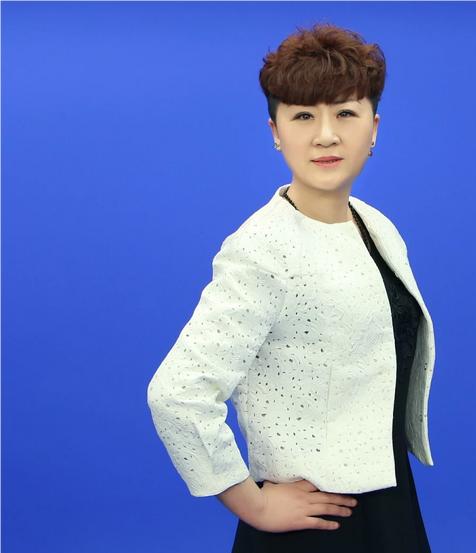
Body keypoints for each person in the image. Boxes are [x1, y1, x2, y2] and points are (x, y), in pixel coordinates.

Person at [147, 22, 436, 553]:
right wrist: (253, 504)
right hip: (316, 524)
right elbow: (177, 394)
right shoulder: (263, 248)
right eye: (303, 116)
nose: (325, 135)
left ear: (373, 127)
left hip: (390, 495)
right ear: (275, 131)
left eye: (345, 113)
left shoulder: (376, 225)